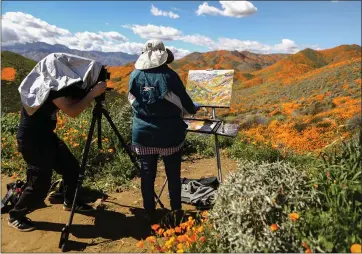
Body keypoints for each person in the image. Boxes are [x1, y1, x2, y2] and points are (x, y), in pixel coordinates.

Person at [8, 80, 107, 232]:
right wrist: (93, 93)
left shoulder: (57, 86)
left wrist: (88, 92)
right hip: (32, 140)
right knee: (40, 182)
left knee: (71, 167)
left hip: (47, 136)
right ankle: (16, 215)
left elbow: (71, 100)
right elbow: (72, 111)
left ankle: (69, 200)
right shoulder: (50, 88)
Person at [128, 39, 200, 223]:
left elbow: (132, 101)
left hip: (142, 133)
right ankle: (176, 211)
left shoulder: (134, 75)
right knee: (173, 173)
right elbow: (186, 103)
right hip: (169, 134)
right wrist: (194, 109)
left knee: (147, 173)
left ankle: (149, 212)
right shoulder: (169, 76)